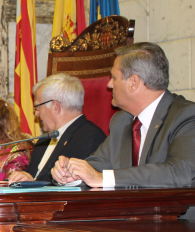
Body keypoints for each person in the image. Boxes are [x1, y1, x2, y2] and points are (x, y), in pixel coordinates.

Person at [52, 42, 195, 189]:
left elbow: (180, 173)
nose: (109, 84)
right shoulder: (122, 120)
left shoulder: (187, 116)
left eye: (114, 78)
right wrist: (72, 173)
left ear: (133, 83)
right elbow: (97, 166)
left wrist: (102, 178)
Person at [8, 73, 106, 183]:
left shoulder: (91, 138)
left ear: (56, 107)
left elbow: (80, 186)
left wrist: (34, 184)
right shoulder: (44, 140)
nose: (36, 113)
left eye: (38, 107)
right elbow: (31, 176)